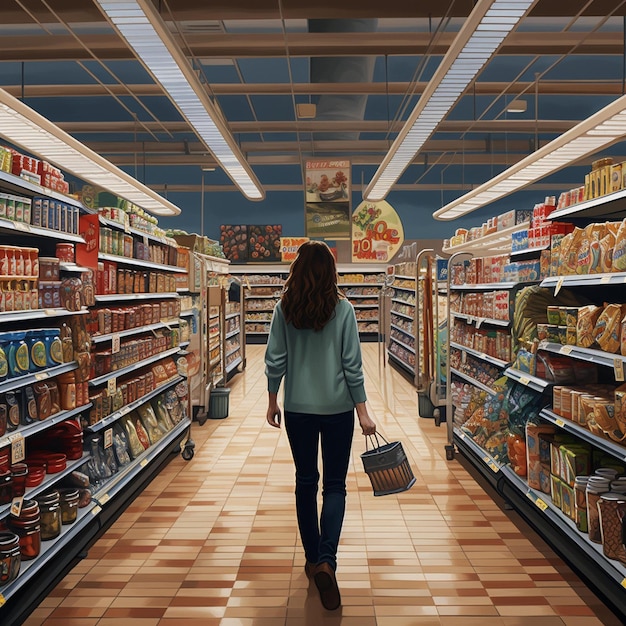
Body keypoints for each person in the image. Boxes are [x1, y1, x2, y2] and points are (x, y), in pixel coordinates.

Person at [264, 241, 376, 611]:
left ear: (297, 269)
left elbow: (275, 359)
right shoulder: (343, 310)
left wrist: (271, 399)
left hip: (298, 409)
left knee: (305, 482)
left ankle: (313, 560)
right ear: (331, 271)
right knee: (335, 486)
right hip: (338, 409)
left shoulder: (285, 309)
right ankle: (328, 559)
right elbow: (352, 365)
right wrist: (363, 411)